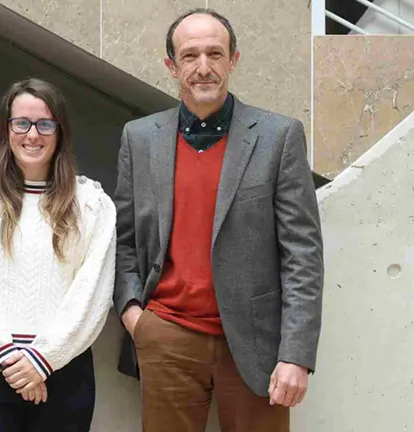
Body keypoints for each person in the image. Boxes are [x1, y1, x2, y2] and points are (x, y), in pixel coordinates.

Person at [113, 9, 324, 431]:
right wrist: (136, 316)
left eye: (215, 53)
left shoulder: (278, 137)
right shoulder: (139, 138)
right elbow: (123, 240)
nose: (203, 67)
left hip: (256, 344)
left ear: (234, 60)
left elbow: (302, 253)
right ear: (171, 65)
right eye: (190, 56)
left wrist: (295, 354)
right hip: (166, 336)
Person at [0, 78, 116, 431]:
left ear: (61, 131)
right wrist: (11, 358)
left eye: (45, 124)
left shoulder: (92, 204)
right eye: (21, 123)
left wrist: (42, 359)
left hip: (64, 371)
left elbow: (91, 294)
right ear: (7, 130)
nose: (32, 135)